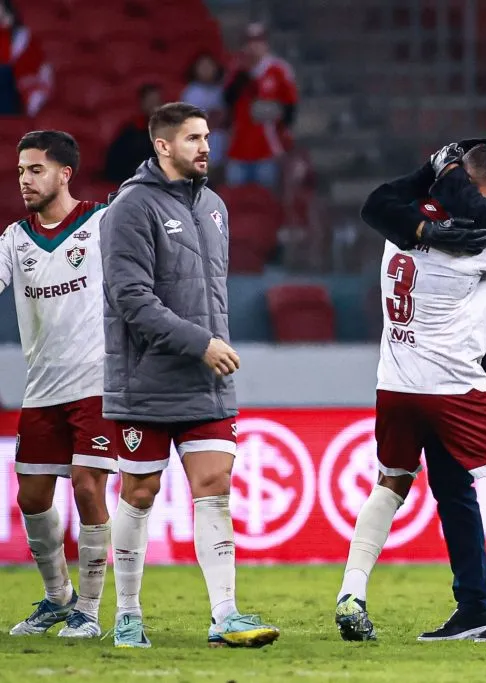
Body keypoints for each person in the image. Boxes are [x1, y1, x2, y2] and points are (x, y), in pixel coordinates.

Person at [336, 144, 486, 644]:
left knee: (392, 483)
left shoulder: (401, 225)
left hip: (395, 382)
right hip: (453, 386)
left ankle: (351, 593)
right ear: (485, 186)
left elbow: (382, 203)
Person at [101, 103, 280, 648]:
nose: (206, 147)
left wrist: (210, 348)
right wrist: (202, 343)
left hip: (207, 382)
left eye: (207, 137)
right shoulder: (129, 209)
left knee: (215, 487)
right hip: (146, 380)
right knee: (140, 490)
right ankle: (128, 613)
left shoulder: (216, 207)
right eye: (193, 139)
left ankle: (225, 614)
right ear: (162, 146)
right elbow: (131, 299)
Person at [3, 131, 113, 638]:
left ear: (64, 173)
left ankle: (88, 610)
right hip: (42, 388)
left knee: (89, 488)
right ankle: (57, 597)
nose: (25, 179)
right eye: (21, 171)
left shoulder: (101, 223)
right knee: (31, 498)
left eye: (35, 170)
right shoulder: (14, 239)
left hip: (96, 383)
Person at [224, 22, 298, 189]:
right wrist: (241, 77)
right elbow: (227, 100)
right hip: (238, 148)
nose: (253, 46)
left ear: (266, 43)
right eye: (249, 41)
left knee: (266, 201)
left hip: (268, 149)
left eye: (258, 41)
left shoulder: (279, 70)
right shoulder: (236, 69)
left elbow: (290, 107)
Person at [103, 84, 163, 184]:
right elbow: (115, 163)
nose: (154, 105)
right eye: (150, 101)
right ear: (142, 103)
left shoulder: (167, 130)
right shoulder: (131, 130)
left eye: (157, 101)